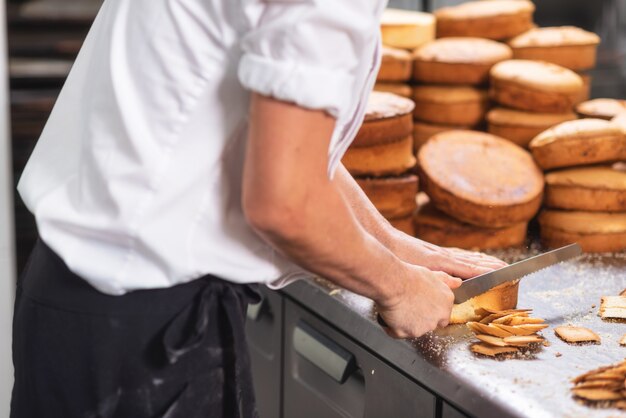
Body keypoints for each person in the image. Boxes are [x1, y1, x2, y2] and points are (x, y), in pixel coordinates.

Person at [11, 0, 506, 417]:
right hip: (144, 342)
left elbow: (271, 143)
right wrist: (398, 288)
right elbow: (285, 203)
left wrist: (390, 244)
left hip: (81, 306)